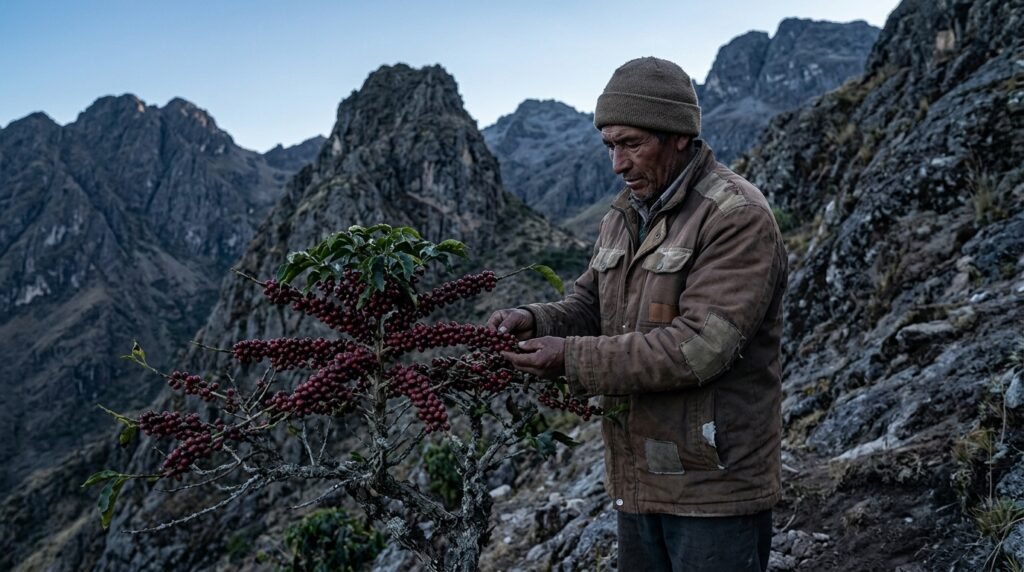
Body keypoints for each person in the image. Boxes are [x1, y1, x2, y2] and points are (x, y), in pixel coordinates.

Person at [487, 57, 787, 571]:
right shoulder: (623, 216)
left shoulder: (736, 216)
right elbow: (590, 304)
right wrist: (536, 320)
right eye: (609, 146)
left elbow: (699, 348)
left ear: (678, 136)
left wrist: (570, 359)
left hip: (712, 485)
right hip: (639, 478)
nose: (617, 165)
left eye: (631, 144)